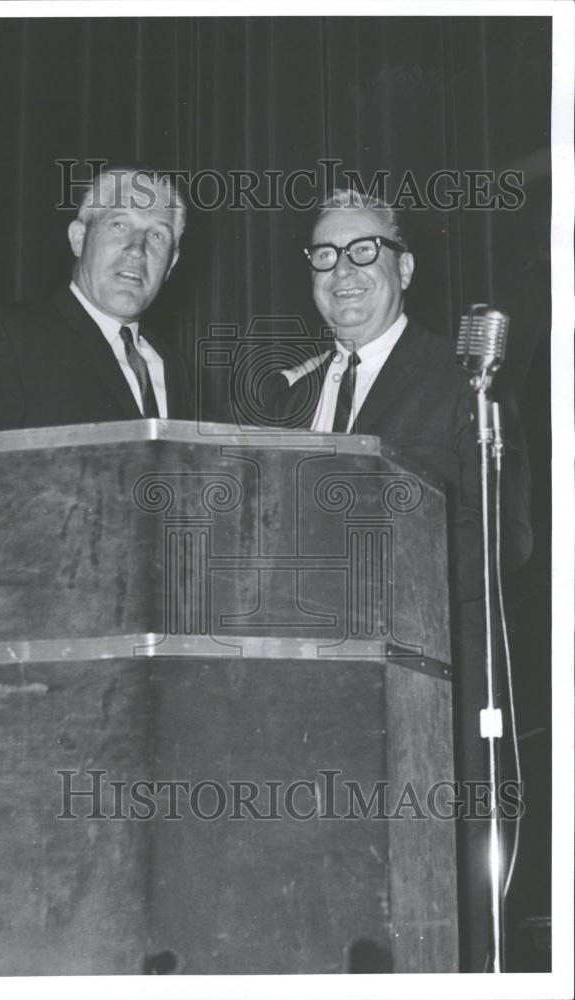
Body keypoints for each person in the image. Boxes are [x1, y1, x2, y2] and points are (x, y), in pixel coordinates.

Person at [266, 188, 532, 972]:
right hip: (302, 718)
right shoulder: (286, 399)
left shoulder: (465, 383)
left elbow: (502, 539)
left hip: (426, 709)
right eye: (322, 254)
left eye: (362, 251)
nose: (340, 271)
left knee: (433, 927)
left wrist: (362, 588)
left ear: (404, 267)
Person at [0, 166, 189, 436]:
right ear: (78, 238)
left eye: (157, 235)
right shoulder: (11, 339)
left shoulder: (171, 365)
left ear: (171, 262)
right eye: (119, 225)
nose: (137, 250)